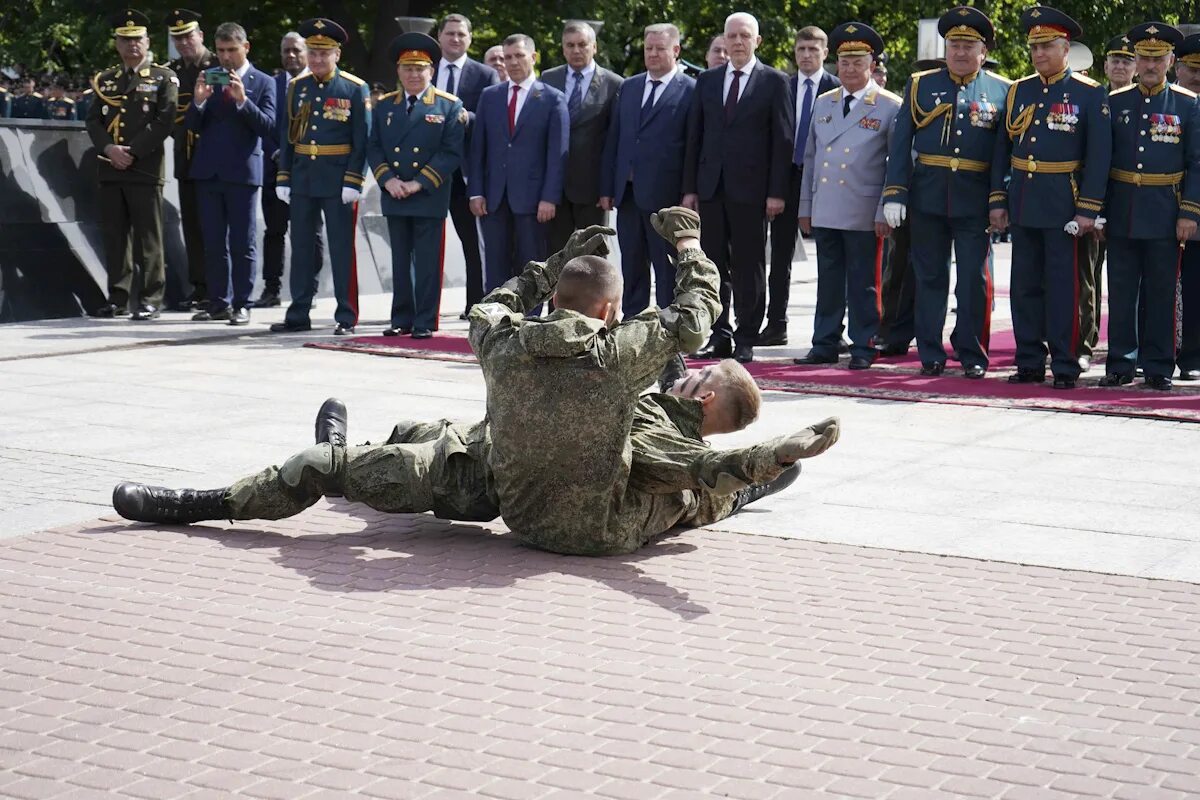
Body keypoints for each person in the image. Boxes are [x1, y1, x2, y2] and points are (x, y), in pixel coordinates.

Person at [882, 7, 1010, 379]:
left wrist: (998, 200)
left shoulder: (1002, 90)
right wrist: (895, 193)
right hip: (928, 197)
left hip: (975, 200)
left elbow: (1002, 154)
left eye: (968, 45)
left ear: (983, 51)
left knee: (974, 280)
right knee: (930, 278)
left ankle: (972, 352)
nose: (960, 52)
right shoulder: (921, 84)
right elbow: (901, 139)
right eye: (954, 44)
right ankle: (931, 353)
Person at [993, 5, 1111, 390]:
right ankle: (1029, 358)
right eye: (1034, 47)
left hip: (1065, 203)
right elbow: (1001, 151)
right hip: (1025, 200)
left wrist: (1089, 207)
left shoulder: (1090, 93)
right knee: (1025, 285)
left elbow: (1099, 157)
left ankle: (1064, 362)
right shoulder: (1018, 90)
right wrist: (998, 200)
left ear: (1066, 49)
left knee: (1064, 288)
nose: (1039, 54)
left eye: (1047, 46)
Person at [682, 12, 793, 364]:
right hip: (711, 188)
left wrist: (777, 191)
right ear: (725, 41)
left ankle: (747, 334)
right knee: (713, 266)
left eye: (745, 36)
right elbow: (694, 137)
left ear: (757, 41)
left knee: (749, 266)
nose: (739, 42)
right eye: (733, 36)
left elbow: (783, 141)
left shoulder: (774, 81)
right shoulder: (708, 81)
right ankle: (720, 333)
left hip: (753, 191)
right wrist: (690, 189)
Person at [794, 22, 900, 371]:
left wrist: (886, 208)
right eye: (844, 61)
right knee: (828, 281)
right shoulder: (825, 102)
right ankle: (824, 342)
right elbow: (811, 156)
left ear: (872, 65)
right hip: (826, 206)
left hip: (864, 208)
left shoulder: (888, 106)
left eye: (858, 61)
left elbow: (896, 164)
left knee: (864, 283)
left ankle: (864, 344)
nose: (850, 68)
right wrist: (805, 206)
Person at [1098, 23, 1199, 392]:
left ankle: (1159, 365)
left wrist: (1189, 211)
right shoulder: (1116, 101)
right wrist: (1099, 210)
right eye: (1144, 57)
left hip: (1165, 213)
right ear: (1136, 60)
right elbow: (1102, 162)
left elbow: (1196, 162)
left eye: (1158, 58)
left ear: (1171, 61)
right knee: (1121, 292)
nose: (1150, 64)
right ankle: (1121, 363)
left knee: (1161, 293)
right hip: (1123, 209)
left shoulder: (1188, 104)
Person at [271, 18, 370, 336]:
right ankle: (299, 312)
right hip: (303, 179)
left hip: (338, 180)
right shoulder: (297, 87)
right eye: (312, 53)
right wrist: (284, 176)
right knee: (300, 248)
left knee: (342, 249)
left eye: (323, 53)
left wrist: (354, 180)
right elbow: (287, 135)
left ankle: (346, 315)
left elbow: (362, 140)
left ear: (336, 55)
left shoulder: (354, 88)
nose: (316, 59)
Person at [367, 32, 466, 338]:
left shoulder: (448, 105)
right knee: (398, 261)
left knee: (426, 263)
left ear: (431, 71)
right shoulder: (384, 105)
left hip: (428, 195)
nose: (413, 74)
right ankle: (401, 318)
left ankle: (424, 320)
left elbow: (451, 152)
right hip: (395, 193)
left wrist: (418, 183)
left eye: (419, 68)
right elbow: (374, 148)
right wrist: (388, 180)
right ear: (398, 71)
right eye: (407, 68)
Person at [84, 9, 178, 321]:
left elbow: (165, 120)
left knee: (148, 238)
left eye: (137, 39)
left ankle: (151, 298)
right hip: (111, 168)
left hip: (144, 168)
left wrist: (132, 152)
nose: (132, 45)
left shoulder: (163, 77)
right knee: (115, 237)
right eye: (125, 40)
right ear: (117, 44)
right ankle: (118, 298)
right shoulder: (107, 80)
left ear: (148, 41)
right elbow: (93, 120)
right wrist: (110, 149)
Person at [598, 23, 695, 315]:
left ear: (676, 51)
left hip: (666, 197)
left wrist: (689, 191)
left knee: (666, 268)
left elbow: (692, 146)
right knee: (632, 263)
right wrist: (607, 187)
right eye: (648, 48)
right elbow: (615, 139)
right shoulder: (629, 86)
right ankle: (633, 323)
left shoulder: (691, 90)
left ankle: (667, 326)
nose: (652, 54)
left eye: (660, 48)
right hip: (627, 194)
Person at [185, 22, 276, 327]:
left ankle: (242, 302)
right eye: (221, 50)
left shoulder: (263, 82)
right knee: (213, 242)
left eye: (231, 50)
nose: (225, 57)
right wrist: (198, 100)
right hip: (208, 172)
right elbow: (191, 127)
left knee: (242, 242)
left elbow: (268, 126)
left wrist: (242, 101)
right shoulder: (209, 79)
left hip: (242, 173)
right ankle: (218, 302)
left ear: (245, 48)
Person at [468, 34, 569, 291]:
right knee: (495, 264)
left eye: (519, 56)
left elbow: (557, 154)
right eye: (507, 57)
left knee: (532, 264)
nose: (512, 62)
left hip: (534, 199)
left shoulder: (552, 98)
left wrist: (550, 197)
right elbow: (479, 148)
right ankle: (494, 320)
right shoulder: (490, 96)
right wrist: (476, 191)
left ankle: (529, 321)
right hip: (493, 197)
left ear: (533, 58)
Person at [760, 26, 840, 347]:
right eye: (801, 49)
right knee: (779, 256)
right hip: (788, 179)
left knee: (832, 256)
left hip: (827, 181)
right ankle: (776, 322)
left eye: (812, 49)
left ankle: (834, 328)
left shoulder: (836, 88)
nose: (806, 55)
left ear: (824, 53)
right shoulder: (783, 86)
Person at [434, 14, 500, 319]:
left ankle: (475, 303)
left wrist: (465, 116)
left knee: (474, 246)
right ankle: (423, 309)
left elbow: (492, 123)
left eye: (461, 34)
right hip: (428, 173)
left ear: (470, 39)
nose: (455, 39)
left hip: (466, 174)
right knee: (425, 245)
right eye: (450, 34)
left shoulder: (485, 74)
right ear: (439, 37)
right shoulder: (425, 70)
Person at [542, 22, 624, 255]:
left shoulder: (614, 83)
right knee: (556, 258)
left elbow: (614, 140)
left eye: (582, 44)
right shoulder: (548, 79)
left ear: (594, 47)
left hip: (593, 189)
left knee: (593, 259)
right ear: (563, 48)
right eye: (570, 45)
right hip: (554, 190)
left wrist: (607, 188)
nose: (576, 50)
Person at [255, 32, 323, 309]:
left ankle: (309, 288)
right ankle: (271, 289)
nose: (291, 56)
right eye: (286, 51)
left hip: (309, 170)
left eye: (296, 50)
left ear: (306, 53)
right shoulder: (271, 84)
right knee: (274, 232)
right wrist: (276, 151)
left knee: (311, 233)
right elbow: (265, 123)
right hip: (275, 170)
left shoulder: (317, 83)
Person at [165, 9, 218, 312]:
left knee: (215, 226)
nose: (184, 42)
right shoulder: (170, 71)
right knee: (193, 227)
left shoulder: (214, 66)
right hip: (185, 156)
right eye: (178, 38)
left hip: (213, 156)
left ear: (200, 35)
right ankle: (199, 287)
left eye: (188, 36)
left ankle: (218, 286)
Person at [1177, 34, 1200, 383]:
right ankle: (1189, 354)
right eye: (1191, 68)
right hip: (1179, 209)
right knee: (1189, 286)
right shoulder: (1170, 104)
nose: (1197, 75)